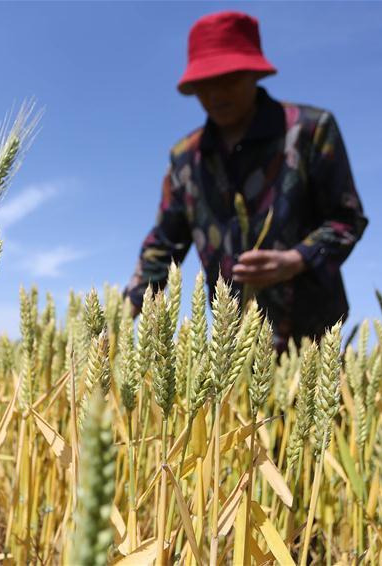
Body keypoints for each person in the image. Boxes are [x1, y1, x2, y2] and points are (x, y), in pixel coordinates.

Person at [122, 10, 369, 352]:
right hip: (233, 343)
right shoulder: (185, 158)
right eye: (203, 84)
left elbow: (347, 219)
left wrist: (295, 260)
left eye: (228, 78)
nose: (214, 94)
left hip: (311, 340)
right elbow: (163, 246)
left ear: (255, 73)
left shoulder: (309, 131)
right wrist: (115, 327)